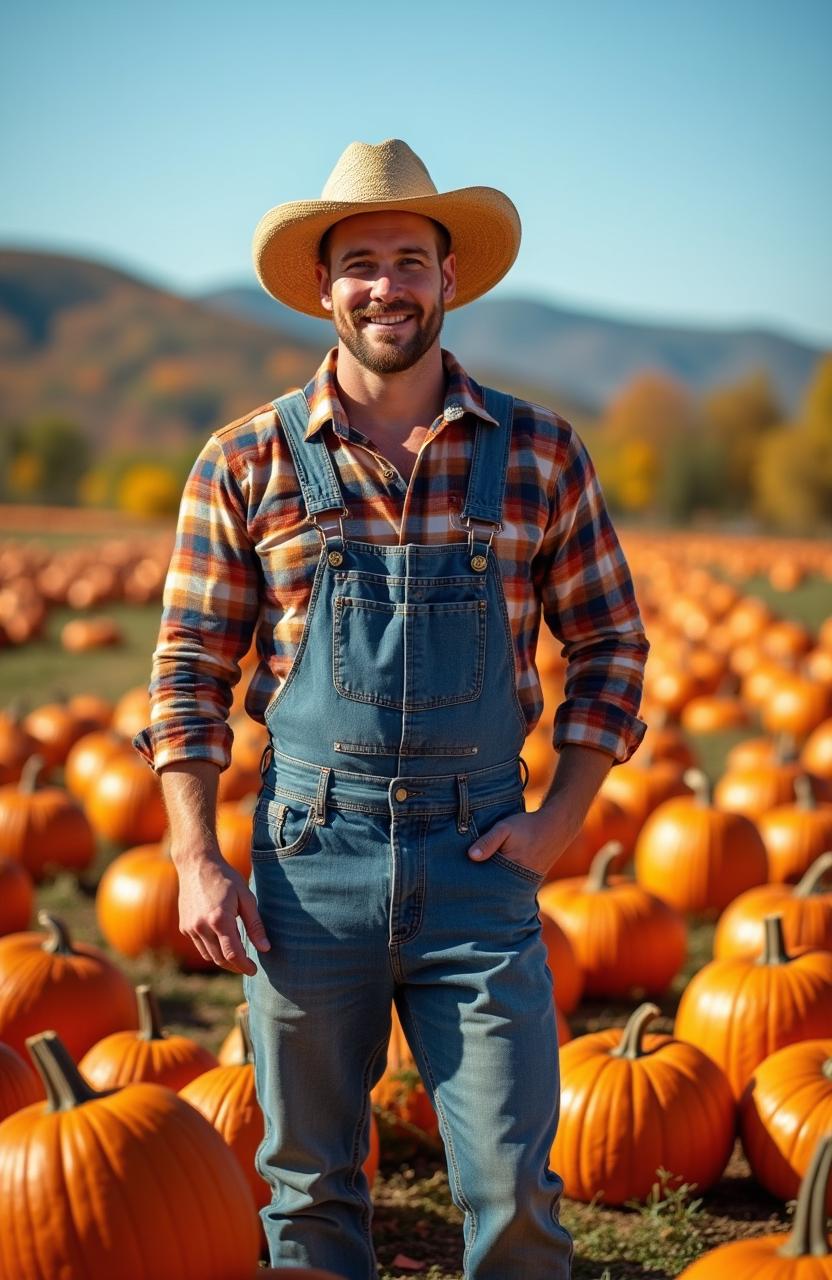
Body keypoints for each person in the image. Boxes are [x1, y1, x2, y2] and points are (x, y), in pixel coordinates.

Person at [135, 138, 649, 1280]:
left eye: (408, 259)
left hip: (479, 854)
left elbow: (610, 642)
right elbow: (187, 668)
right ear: (323, 288)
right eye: (359, 262)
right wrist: (191, 854)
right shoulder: (245, 460)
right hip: (310, 857)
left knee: (514, 1191)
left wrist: (561, 817)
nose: (385, 285)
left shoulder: (539, 453)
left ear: (448, 276)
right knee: (310, 1190)